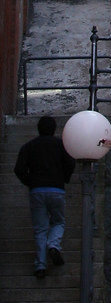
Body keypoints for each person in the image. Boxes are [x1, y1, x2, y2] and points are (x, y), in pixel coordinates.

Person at [14, 116, 75, 278]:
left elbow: (19, 169)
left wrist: (30, 182)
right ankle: (53, 245)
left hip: (37, 190)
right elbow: (70, 164)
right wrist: (64, 178)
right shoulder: (61, 145)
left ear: (38, 128)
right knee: (58, 221)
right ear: (54, 129)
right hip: (56, 189)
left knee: (40, 229)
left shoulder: (29, 146)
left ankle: (40, 265)